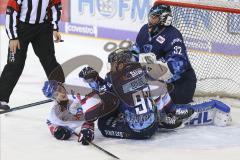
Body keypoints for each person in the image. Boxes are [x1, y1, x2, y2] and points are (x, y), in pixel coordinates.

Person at [79, 48, 232, 140]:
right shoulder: (143, 71)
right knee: (155, 90)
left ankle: (154, 117)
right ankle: (166, 115)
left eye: (113, 64)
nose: (111, 67)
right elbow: (162, 86)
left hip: (136, 130)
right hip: (153, 122)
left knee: (104, 122)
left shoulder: (113, 78)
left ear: (120, 64)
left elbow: (103, 95)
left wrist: (93, 78)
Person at [0, 0, 65, 111]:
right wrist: (13, 37)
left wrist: (55, 28)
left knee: (50, 61)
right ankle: (1, 98)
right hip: (21, 29)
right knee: (14, 65)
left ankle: (62, 94)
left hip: (43, 28)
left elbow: (56, 7)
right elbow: (11, 12)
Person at [132, 4, 197, 104]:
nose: (150, 21)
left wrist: (155, 72)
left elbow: (179, 63)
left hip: (180, 85)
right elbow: (135, 51)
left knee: (152, 103)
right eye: (150, 17)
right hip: (156, 79)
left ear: (164, 19)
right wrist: (127, 59)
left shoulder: (173, 35)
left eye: (154, 18)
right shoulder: (144, 30)